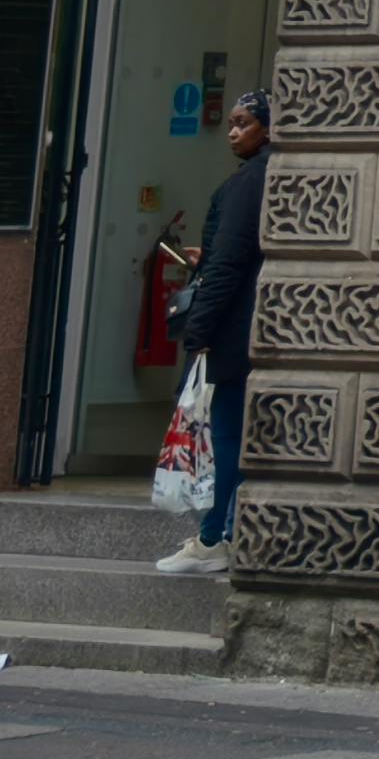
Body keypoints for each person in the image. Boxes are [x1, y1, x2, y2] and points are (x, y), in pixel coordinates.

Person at [158, 92, 269, 578]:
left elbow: (230, 262)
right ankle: (220, 532)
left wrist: (198, 328)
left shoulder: (248, 182)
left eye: (243, 123)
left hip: (234, 328)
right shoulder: (269, 176)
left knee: (225, 432)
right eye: (230, 123)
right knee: (233, 431)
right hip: (253, 322)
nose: (232, 132)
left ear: (268, 127)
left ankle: (213, 537)